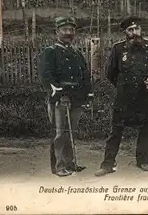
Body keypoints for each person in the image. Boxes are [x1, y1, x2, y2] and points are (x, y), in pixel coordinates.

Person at [94, 16, 148, 177]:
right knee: (116, 130)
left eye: (137, 29)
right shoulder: (118, 49)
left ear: (141, 30)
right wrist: (123, 86)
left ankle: (143, 160)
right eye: (130, 30)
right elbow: (110, 73)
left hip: (145, 95)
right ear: (125, 32)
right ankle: (107, 163)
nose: (134, 33)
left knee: (144, 129)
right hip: (124, 98)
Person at [38, 16, 93, 177]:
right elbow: (46, 76)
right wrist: (60, 94)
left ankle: (70, 163)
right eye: (65, 29)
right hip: (60, 98)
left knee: (71, 131)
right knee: (60, 132)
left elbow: (85, 75)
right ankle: (59, 166)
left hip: (77, 97)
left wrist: (88, 96)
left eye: (71, 30)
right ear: (57, 32)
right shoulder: (50, 52)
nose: (68, 33)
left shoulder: (76, 53)